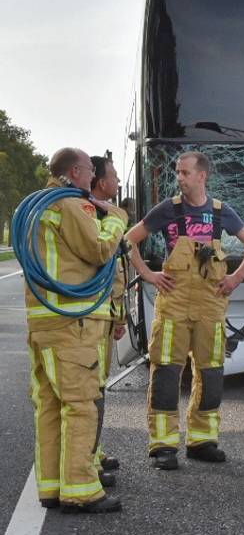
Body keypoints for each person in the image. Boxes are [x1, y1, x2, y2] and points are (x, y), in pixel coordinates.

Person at [124, 151, 244, 470]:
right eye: (178, 172)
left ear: (202, 176)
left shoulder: (220, 212)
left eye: (185, 172)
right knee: (167, 374)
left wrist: (235, 278)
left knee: (211, 373)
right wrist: (148, 274)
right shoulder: (168, 210)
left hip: (209, 307)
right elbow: (129, 241)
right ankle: (163, 444)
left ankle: (202, 440)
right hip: (173, 306)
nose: (179, 177)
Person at [23, 148, 127, 513]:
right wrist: (116, 218)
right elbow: (99, 250)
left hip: (43, 321)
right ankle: (82, 490)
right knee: (81, 405)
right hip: (73, 323)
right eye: (87, 172)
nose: (90, 178)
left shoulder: (36, 206)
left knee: (50, 405)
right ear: (75, 172)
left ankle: (51, 487)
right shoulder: (71, 205)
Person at [89, 155, 128, 484]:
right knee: (89, 392)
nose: (117, 183)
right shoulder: (95, 218)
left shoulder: (103, 215)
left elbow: (117, 276)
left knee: (97, 388)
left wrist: (121, 318)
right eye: (114, 177)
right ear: (100, 182)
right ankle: (87, 459)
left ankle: (93, 451)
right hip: (88, 319)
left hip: (104, 318)